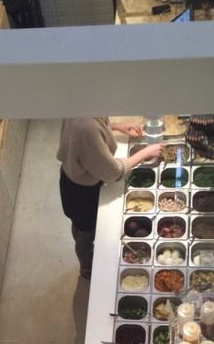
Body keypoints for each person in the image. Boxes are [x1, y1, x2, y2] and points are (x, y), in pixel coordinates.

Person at [57, 118, 164, 279]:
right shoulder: (87, 127)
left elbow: (89, 132)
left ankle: (83, 246)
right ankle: (87, 268)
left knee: (79, 226)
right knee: (86, 232)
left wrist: (114, 127)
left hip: (71, 179)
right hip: (83, 193)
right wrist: (145, 153)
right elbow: (114, 172)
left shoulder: (81, 108)